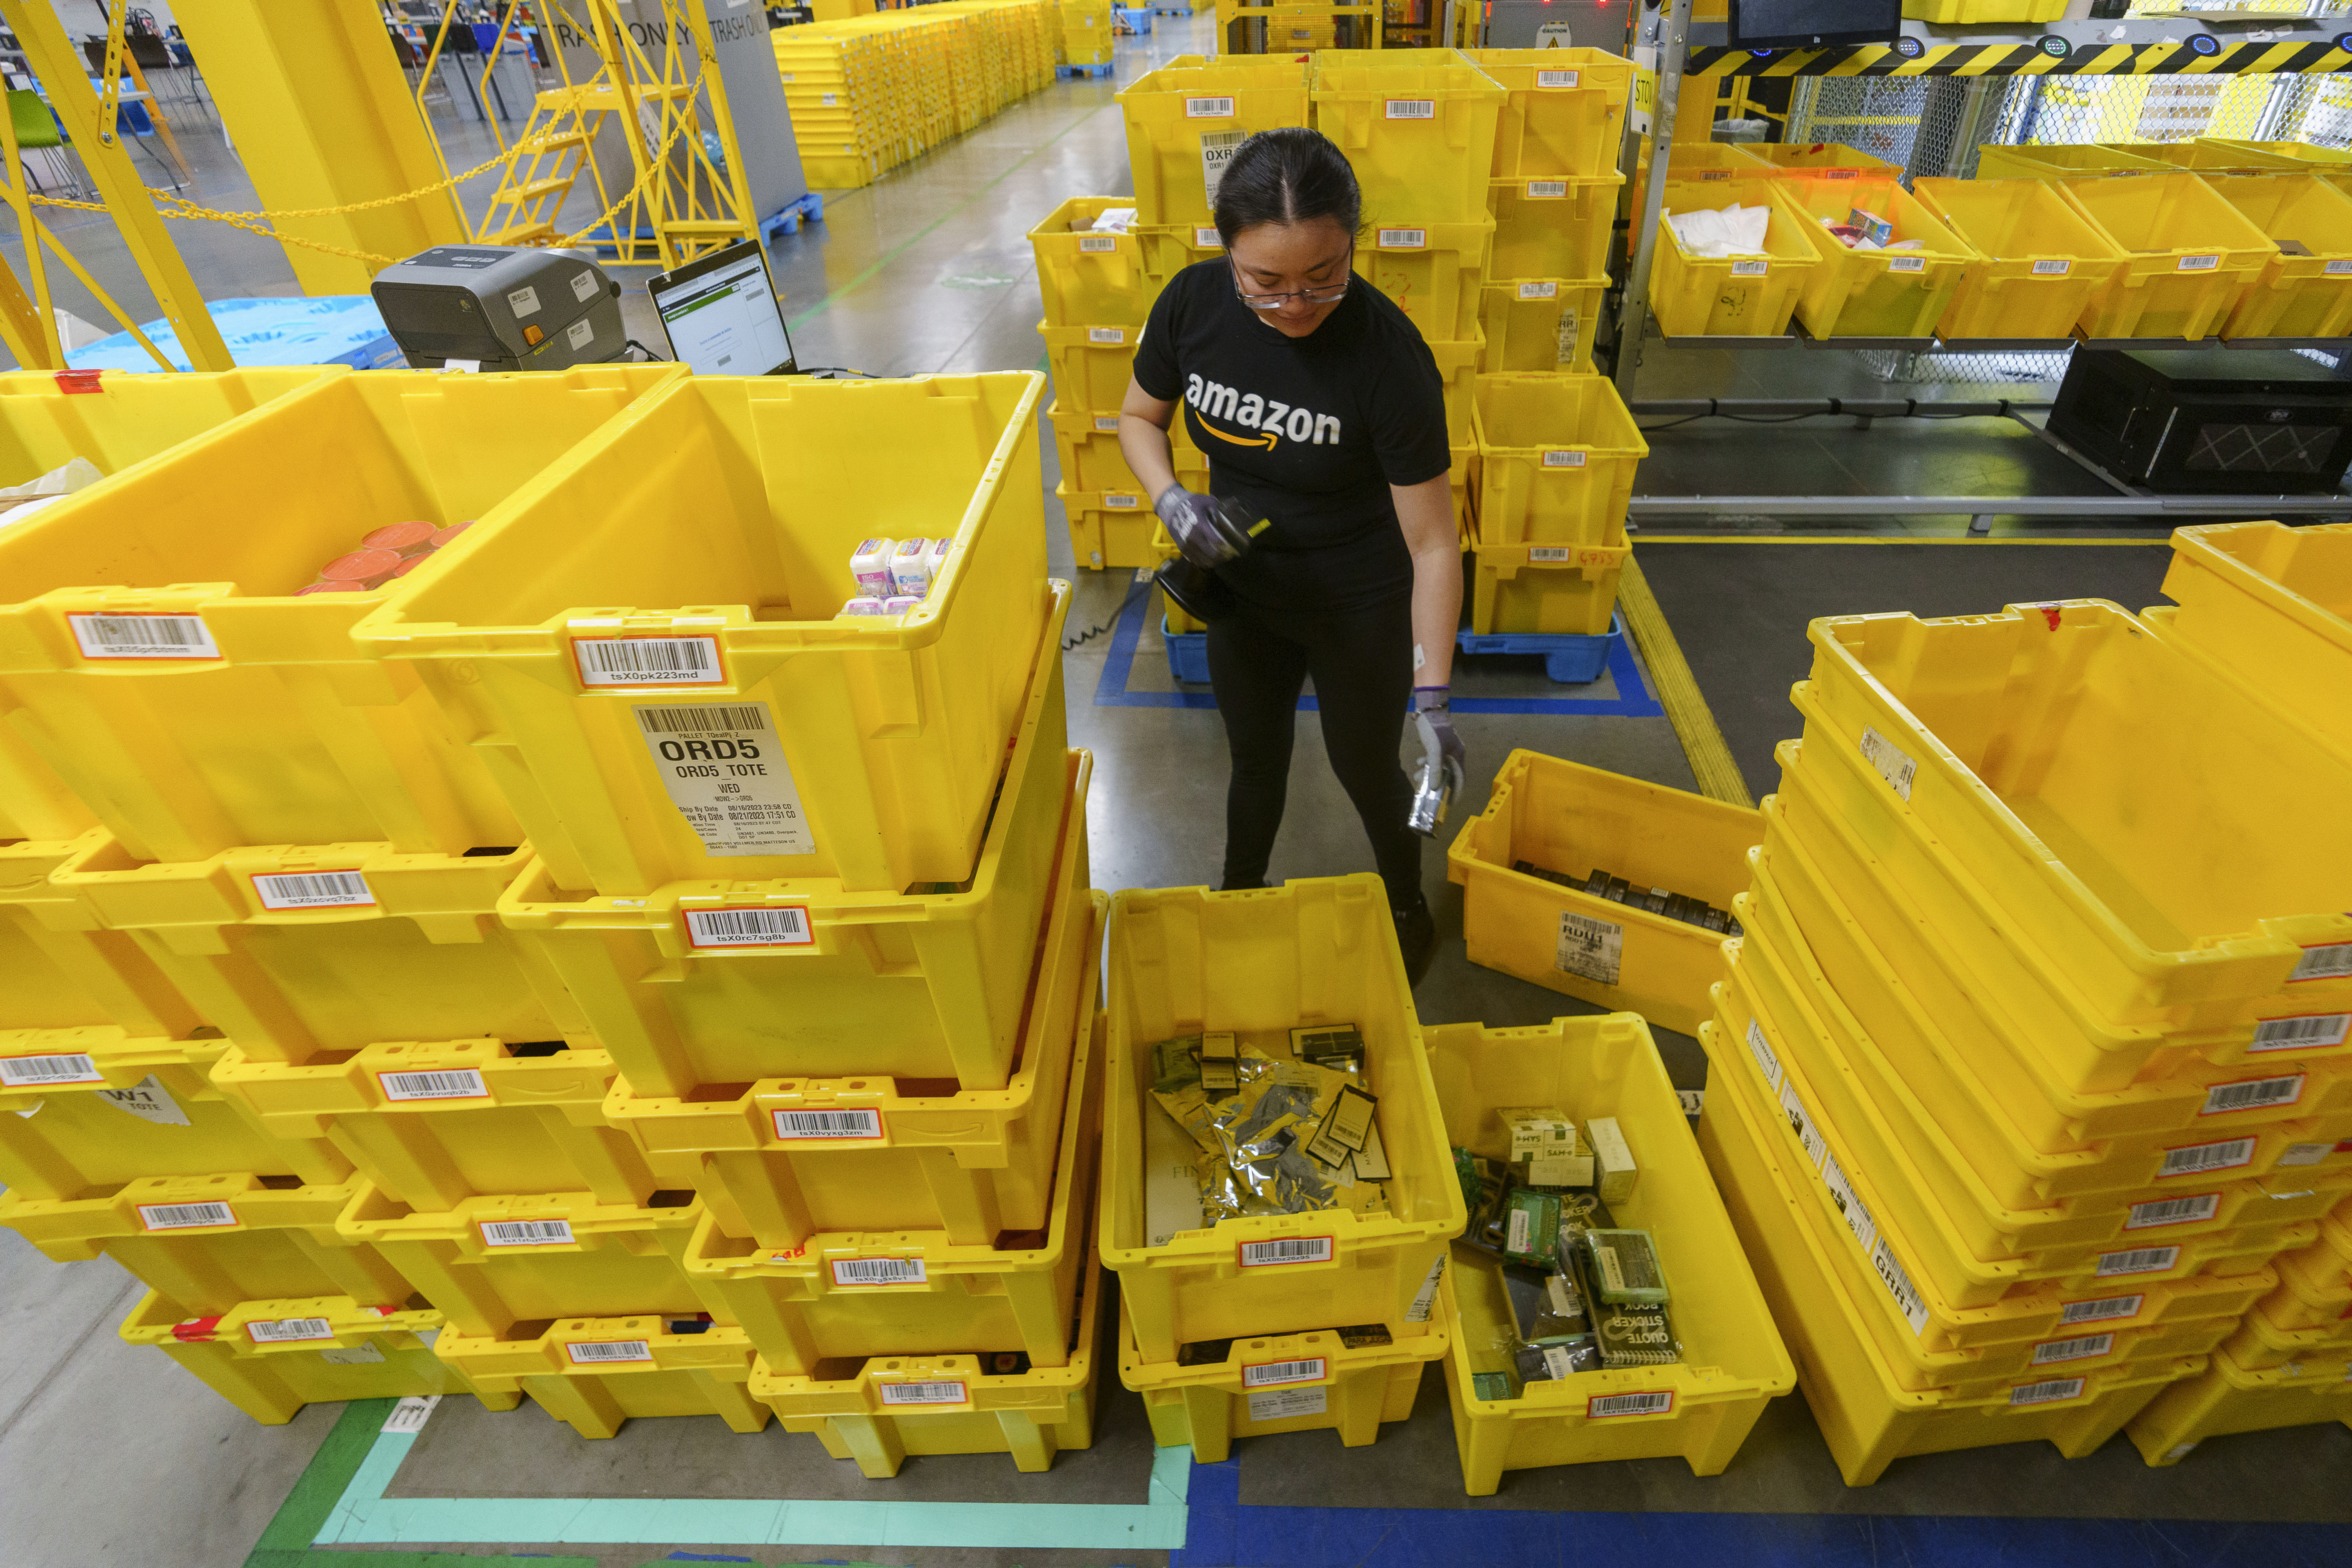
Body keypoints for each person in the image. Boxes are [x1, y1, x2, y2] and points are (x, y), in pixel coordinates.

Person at [1117, 126, 1465, 984]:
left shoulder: (1387, 357)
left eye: (1323, 277)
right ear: (1226, 248)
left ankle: (1404, 900)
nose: (1297, 305)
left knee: (1365, 765)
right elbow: (1138, 419)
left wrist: (1434, 695)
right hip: (1250, 591)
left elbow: (1431, 542)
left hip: (1359, 600)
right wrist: (1174, 502)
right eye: (1266, 283)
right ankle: (1240, 893)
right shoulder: (1193, 307)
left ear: (1353, 242)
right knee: (1255, 759)